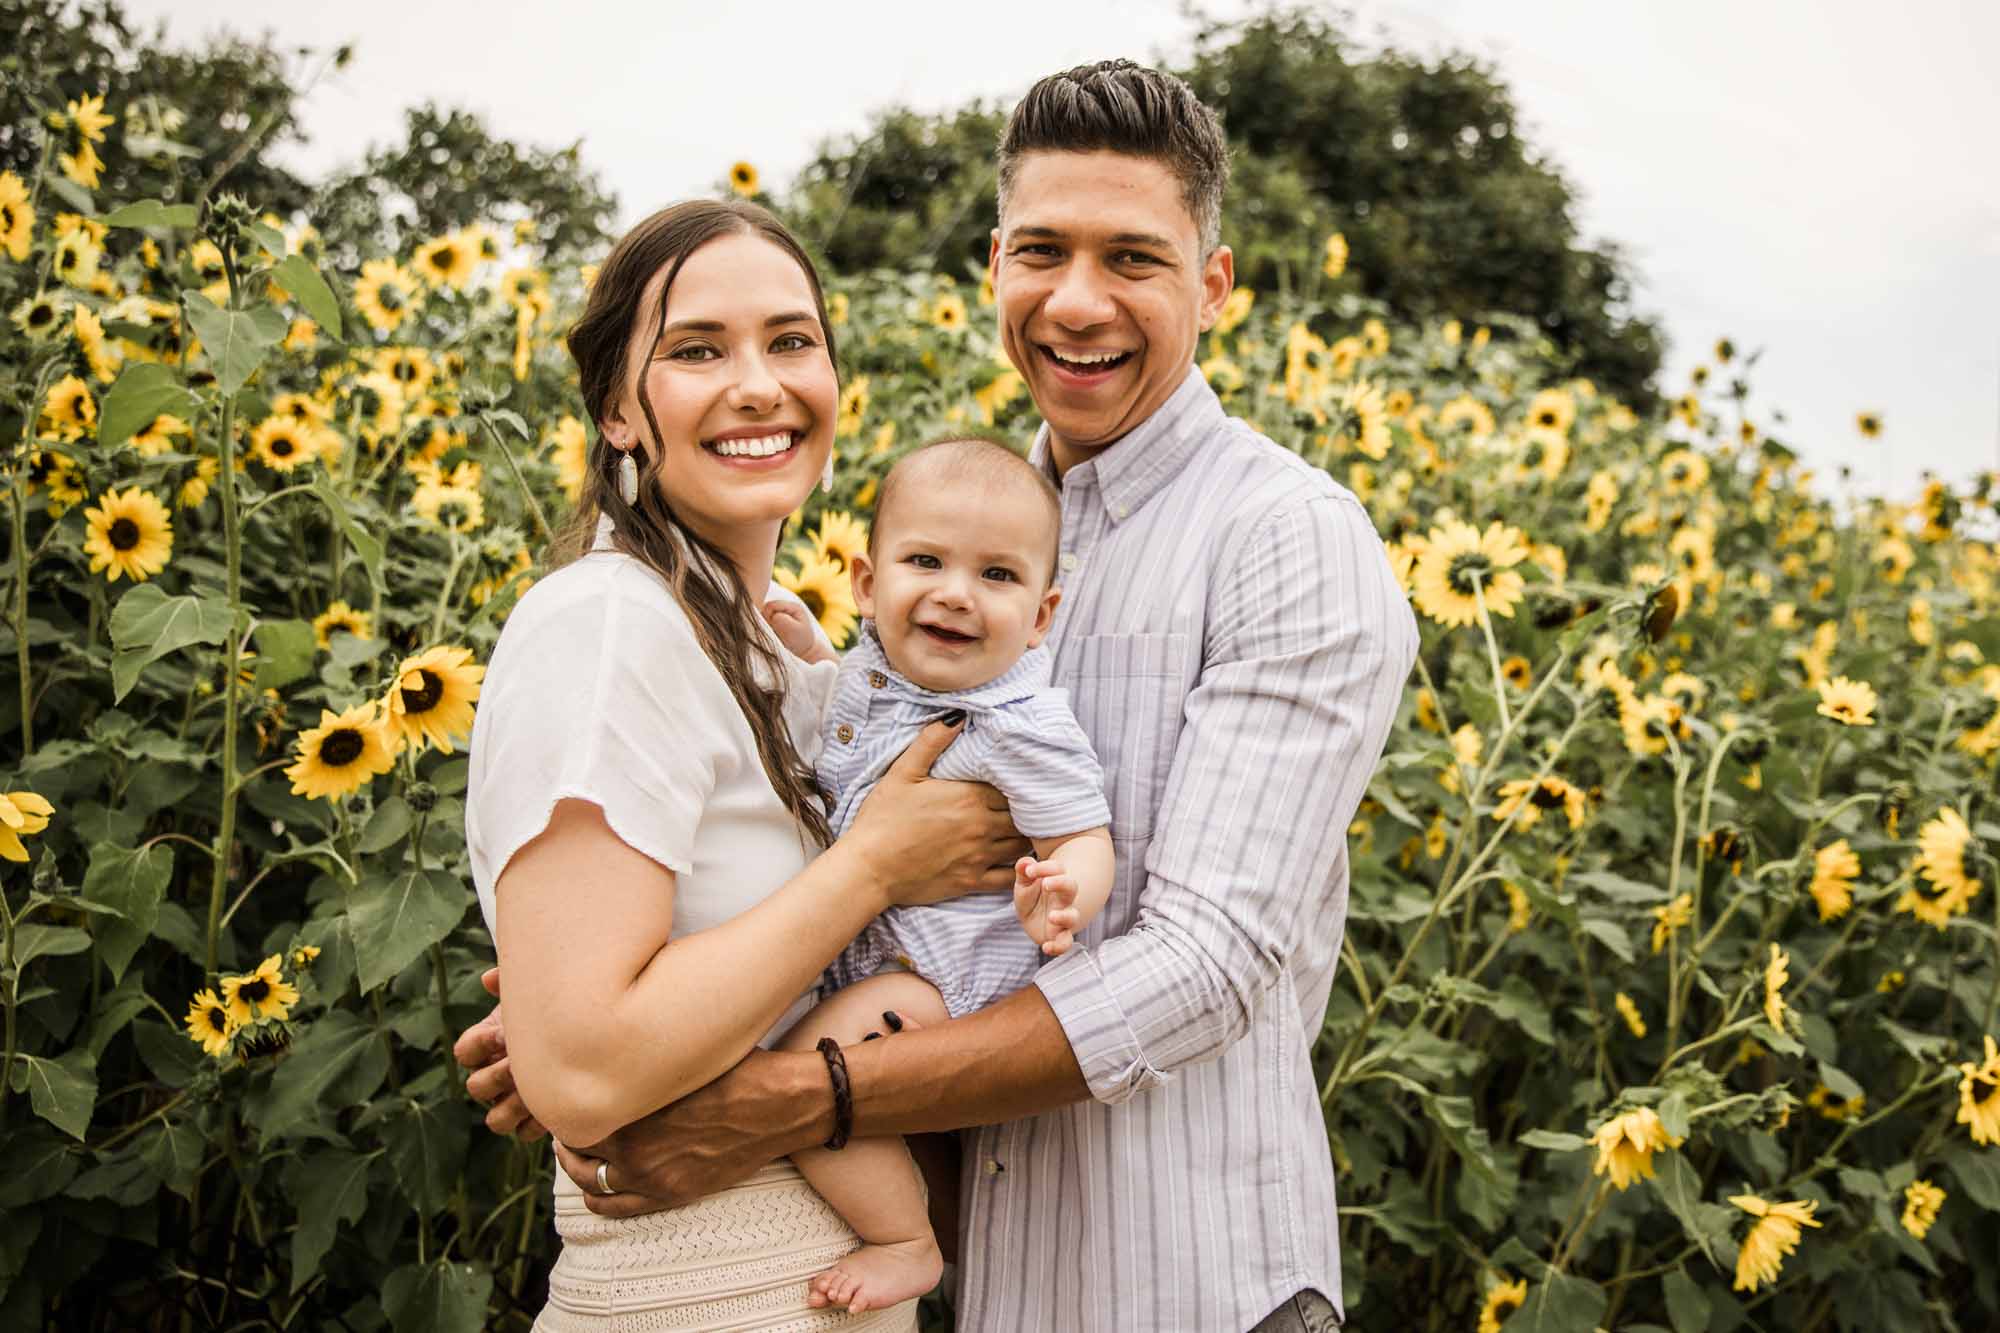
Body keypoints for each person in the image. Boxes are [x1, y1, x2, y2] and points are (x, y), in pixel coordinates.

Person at [461, 60, 1417, 1331]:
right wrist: (604, 1032)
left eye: (1132, 258)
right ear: (993, 268)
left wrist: (795, 1092)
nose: (1077, 302)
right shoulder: (959, 541)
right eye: (1042, 252)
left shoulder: (1282, 539)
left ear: (1213, 284)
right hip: (971, 1277)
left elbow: (1204, 965)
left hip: (1177, 1277)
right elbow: (831, 867)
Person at [462, 196, 1024, 1329]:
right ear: (619, 410)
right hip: (702, 1292)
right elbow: (582, 1074)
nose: (758, 383)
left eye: (790, 340)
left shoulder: (768, 644)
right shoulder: (608, 626)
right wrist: (869, 869)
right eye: (696, 350)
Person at [765, 436, 1116, 1314]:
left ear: (1041, 615)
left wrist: (1063, 892)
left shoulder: (1019, 721)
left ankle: (905, 1238)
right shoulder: (873, 670)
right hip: (872, 959)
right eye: (926, 561)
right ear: (868, 584)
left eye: (998, 576)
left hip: (941, 987)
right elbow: (847, 729)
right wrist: (813, 654)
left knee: (800, 1072)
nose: (957, 592)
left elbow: (1085, 832)